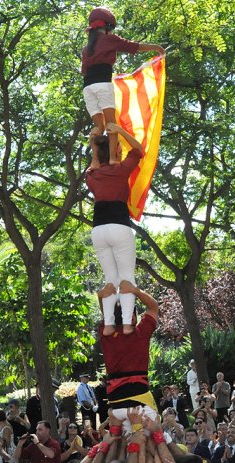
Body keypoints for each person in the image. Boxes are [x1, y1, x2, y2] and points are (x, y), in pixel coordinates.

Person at [81, 6, 164, 165]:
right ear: (107, 27)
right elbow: (134, 47)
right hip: (102, 84)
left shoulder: (86, 49)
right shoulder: (108, 39)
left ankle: (95, 161)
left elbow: (84, 70)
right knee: (111, 124)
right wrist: (156, 48)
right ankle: (112, 158)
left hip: (87, 87)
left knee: (98, 127)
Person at [86, 123, 145, 337]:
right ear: (114, 151)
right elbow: (138, 149)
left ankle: (109, 324)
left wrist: (95, 145)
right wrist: (120, 132)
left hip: (98, 230)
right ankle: (128, 324)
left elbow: (93, 165)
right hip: (119, 226)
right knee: (127, 278)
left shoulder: (92, 175)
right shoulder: (120, 170)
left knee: (110, 279)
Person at [97, 280, 161, 430]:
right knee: (157, 442)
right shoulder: (140, 333)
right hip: (140, 403)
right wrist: (135, 291)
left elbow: (107, 317)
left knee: (122, 449)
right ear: (132, 317)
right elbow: (154, 307)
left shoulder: (106, 334)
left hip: (116, 407)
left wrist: (101, 297)